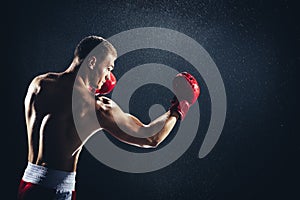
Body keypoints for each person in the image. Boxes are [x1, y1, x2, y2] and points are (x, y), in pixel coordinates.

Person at [17, 36, 200, 200]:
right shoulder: (96, 108)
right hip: (55, 191)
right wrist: (178, 108)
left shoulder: (38, 84)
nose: (108, 77)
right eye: (108, 68)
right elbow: (150, 138)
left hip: (27, 183)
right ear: (92, 62)